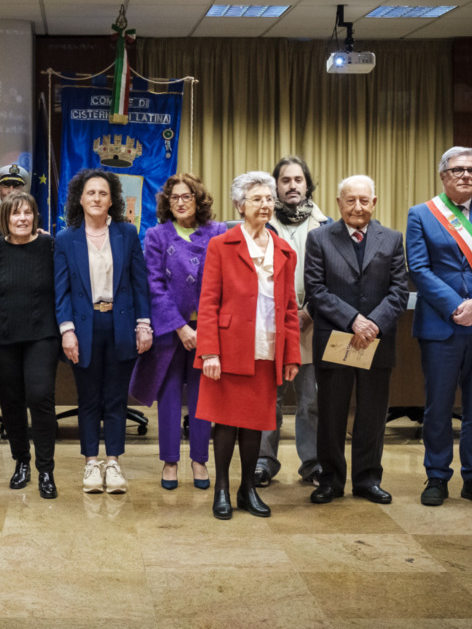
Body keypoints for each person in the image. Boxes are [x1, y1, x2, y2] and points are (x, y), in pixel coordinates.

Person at [406, 146, 472, 508]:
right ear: (443, 176)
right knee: (437, 407)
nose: (465, 175)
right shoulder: (421, 214)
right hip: (441, 325)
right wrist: (456, 306)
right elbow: (419, 269)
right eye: (457, 170)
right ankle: (436, 477)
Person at [195, 171, 301, 520]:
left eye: (269, 199)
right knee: (226, 423)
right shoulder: (220, 245)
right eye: (257, 199)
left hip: (267, 348)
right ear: (240, 206)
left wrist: (291, 356)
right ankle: (222, 488)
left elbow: (288, 308)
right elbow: (208, 302)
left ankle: (247, 489)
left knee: (256, 423)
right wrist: (209, 350)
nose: (266, 205)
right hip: (228, 349)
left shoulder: (284, 250)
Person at [305, 175, 409, 505]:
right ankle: (331, 480)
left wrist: (373, 324)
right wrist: (353, 320)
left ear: (374, 203)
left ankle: (367, 479)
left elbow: (398, 291)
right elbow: (316, 290)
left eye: (364, 200)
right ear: (339, 203)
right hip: (336, 338)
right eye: (350, 200)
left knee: (372, 414)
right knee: (332, 413)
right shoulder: (320, 238)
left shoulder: (392, 239)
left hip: (376, 341)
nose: (357, 207)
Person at [54, 169, 151, 494]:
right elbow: (62, 290)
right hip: (83, 328)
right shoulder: (67, 239)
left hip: (120, 324)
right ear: (79, 199)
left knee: (115, 399)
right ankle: (91, 464)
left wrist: (144, 324)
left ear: (113, 200)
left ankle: (113, 463)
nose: (96, 198)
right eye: (90, 193)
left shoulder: (127, 233)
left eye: (103, 193)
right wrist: (67, 331)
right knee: (89, 399)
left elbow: (140, 284)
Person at [128, 173, 224, 490]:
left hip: (207, 327)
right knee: (168, 396)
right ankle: (170, 462)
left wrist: (202, 328)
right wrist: (181, 327)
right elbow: (154, 286)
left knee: (201, 397)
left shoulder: (217, 233)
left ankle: (199, 460)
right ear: (167, 203)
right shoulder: (157, 235)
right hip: (170, 328)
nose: (181, 203)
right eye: (174, 198)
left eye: (187, 196)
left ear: (198, 200)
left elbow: (221, 284)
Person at [0, 192, 61, 499]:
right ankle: (22, 462)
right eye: (16, 213)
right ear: (5, 218)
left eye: (28, 212)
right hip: (1, 337)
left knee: (41, 397)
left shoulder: (49, 245)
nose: (23, 219)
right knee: (11, 401)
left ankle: (46, 469)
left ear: (35, 217)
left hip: (42, 334)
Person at [259, 156, 330, 488]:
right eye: (285, 180)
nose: (292, 186)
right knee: (267, 397)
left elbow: (333, 279)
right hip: (269, 326)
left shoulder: (327, 226)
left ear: (307, 184)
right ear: (275, 186)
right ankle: (263, 461)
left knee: (311, 400)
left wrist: (308, 312)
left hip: (311, 325)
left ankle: (313, 463)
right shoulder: (259, 223)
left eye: (298, 180)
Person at [0, 163, 30, 238]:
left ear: (23, 192)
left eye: (16, 186)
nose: (11, 191)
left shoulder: (32, 218)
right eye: (6, 185)